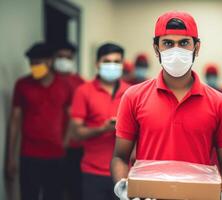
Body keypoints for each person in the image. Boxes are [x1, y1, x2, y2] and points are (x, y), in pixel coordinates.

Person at [111, 11, 222, 200]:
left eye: (184, 43)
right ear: (156, 49)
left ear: (197, 47)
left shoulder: (219, 103)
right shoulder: (133, 97)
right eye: (168, 43)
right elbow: (120, 157)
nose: (176, 50)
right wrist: (123, 189)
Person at [5, 42, 72, 200]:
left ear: (49, 62)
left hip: (56, 155)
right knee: (29, 196)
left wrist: (65, 141)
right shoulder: (22, 85)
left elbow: (70, 115)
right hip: (29, 155)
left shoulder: (64, 86)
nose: (34, 67)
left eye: (37, 63)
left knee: (54, 196)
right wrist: (10, 157)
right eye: (31, 64)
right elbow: (14, 121)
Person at [70, 43, 131, 200]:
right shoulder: (84, 91)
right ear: (97, 63)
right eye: (107, 61)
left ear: (122, 64)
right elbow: (76, 133)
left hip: (126, 172)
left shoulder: (132, 92)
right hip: (93, 172)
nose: (112, 65)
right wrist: (102, 129)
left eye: (117, 62)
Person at [52, 42, 85, 200]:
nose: (64, 60)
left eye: (68, 57)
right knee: (53, 189)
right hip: (49, 147)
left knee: (74, 189)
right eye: (60, 57)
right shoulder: (48, 81)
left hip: (75, 147)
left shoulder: (80, 84)